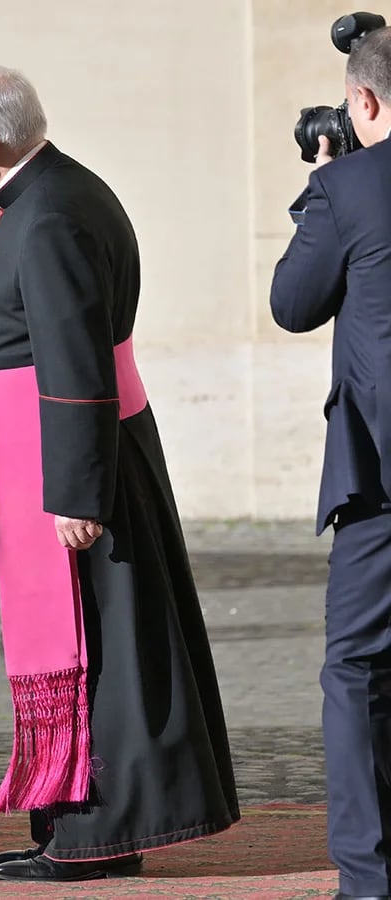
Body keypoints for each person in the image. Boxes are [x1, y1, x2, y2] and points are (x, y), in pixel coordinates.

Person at [0, 64, 239, 881]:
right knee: (99, 648)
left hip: (75, 473)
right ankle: (79, 830)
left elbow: (71, 355)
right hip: (71, 460)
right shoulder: (43, 199)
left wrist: (74, 494)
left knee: (96, 650)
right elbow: (2, 317)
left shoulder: (51, 214)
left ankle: (92, 840)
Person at [270, 26, 391, 900]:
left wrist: (319, 182)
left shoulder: (344, 185)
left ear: (363, 102)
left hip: (381, 476)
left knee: (356, 667)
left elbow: (292, 302)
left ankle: (369, 877)